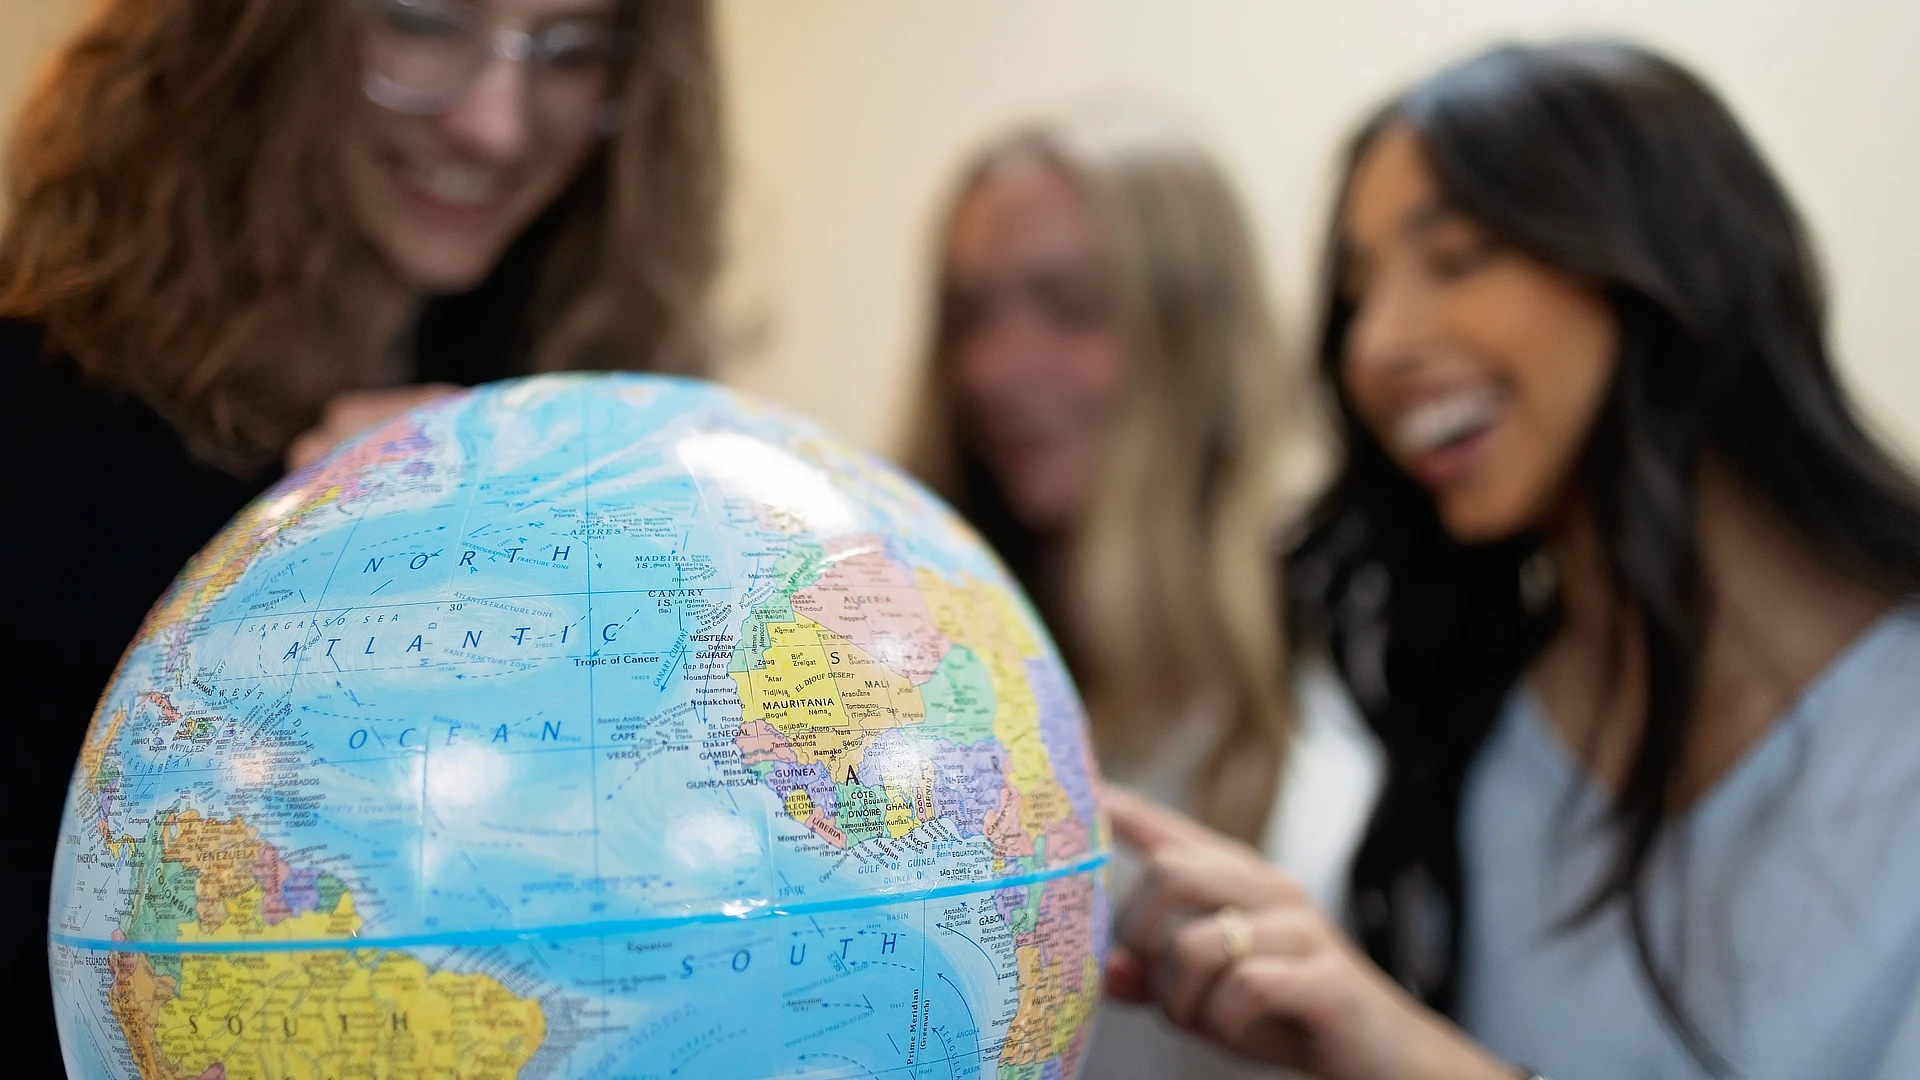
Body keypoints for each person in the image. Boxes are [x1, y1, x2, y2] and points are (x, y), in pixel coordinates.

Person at [1106, 40, 1920, 1080]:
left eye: (1456, 259)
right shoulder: (1479, 732)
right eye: (1358, 293)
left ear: (1667, 262)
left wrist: (1406, 1054)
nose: (1378, 346)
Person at [0, 0, 721, 1072]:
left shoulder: (577, 424)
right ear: (255, 31)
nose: (495, 123)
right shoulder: (34, 436)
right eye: (424, 20)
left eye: (572, 48)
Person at [902, 108, 1381, 1077]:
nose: (996, 369)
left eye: (1071, 307)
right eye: (970, 317)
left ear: (1193, 336)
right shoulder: (915, 674)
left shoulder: (1373, 649)